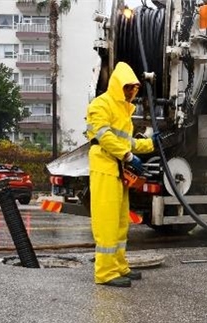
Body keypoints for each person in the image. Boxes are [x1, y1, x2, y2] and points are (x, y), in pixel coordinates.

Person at [85, 62, 154, 287]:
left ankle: (119, 266)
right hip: (105, 168)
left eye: (133, 88)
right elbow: (104, 137)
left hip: (117, 171)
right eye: (127, 87)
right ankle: (105, 273)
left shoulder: (123, 109)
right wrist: (127, 156)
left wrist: (151, 144)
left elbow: (128, 141)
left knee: (121, 222)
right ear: (117, 85)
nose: (131, 92)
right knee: (107, 222)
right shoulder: (101, 105)